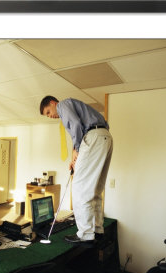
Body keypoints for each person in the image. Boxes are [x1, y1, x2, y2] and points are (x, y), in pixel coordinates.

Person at [40, 96, 113, 247]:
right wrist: (77, 155)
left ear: (53, 103)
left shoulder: (63, 104)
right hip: (105, 137)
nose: (50, 116)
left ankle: (85, 234)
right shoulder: (73, 105)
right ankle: (97, 230)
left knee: (80, 188)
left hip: (92, 137)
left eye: (48, 111)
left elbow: (75, 124)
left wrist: (76, 149)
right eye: (47, 115)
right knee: (96, 189)